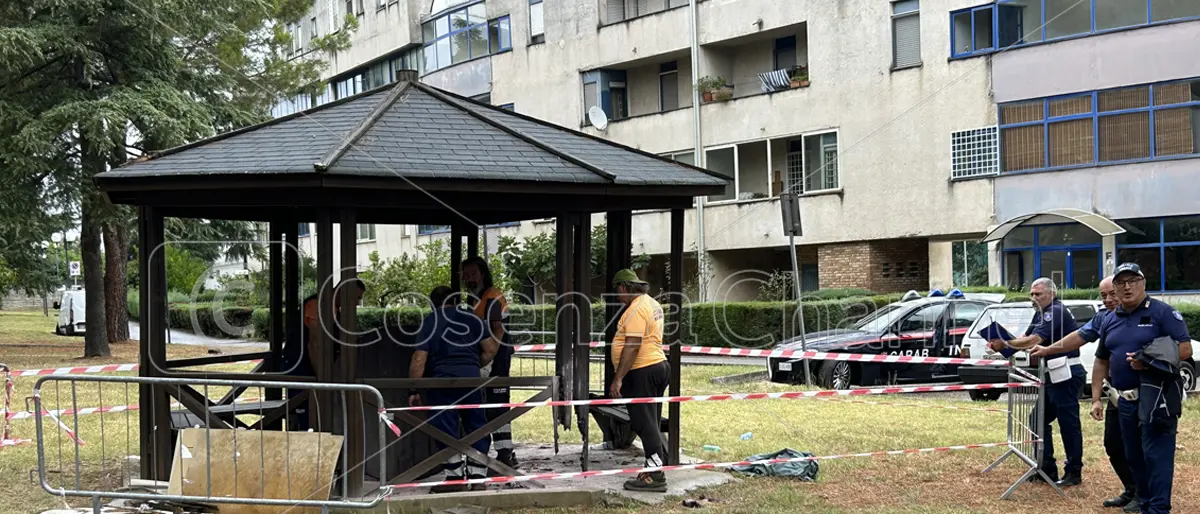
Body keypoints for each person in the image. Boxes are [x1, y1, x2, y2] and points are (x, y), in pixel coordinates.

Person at [1032, 263, 1192, 514]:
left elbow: (1185, 349)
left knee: (1156, 457)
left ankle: (1158, 509)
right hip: (1124, 401)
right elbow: (1100, 358)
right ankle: (1142, 500)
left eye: (1133, 281)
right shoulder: (1109, 319)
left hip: (1156, 398)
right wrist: (1050, 351)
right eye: (1121, 283)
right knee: (1132, 456)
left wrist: (1148, 361)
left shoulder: (1162, 313)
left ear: (1143, 283)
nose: (1126, 287)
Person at [1034, 276, 1138, 510]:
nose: (1109, 299)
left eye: (1113, 293)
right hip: (1117, 392)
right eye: (1103, 296)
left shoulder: (1149, 315)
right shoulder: (1104, 318)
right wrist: (1048, 349)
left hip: (1147, 392)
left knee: (1139, 445)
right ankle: (1132, 489)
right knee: (1113, 444)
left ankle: (1145, 495)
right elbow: (1080, 338)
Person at [988, 277, 1084, 487]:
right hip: (1052, 373)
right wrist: (1004, 344)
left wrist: (1005, 342)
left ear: (1052, 294)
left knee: (1068, 424)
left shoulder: (1054, 312)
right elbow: (1026, 337)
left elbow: (1034, 341)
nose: (1034, 297)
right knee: (1036, 420)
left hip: (1066, 373)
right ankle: (1045, 468)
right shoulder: (1041, 313)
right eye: (1031, 294)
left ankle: (1073, 472)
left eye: (1038, 294)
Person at [409, 286, 496, 493]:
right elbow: (491, 349)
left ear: (433, 303)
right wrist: (473, 365)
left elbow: (419, 358)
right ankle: (477, 476)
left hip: (441, 382)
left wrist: (413, 389)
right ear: (456, 301)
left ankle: (455, 477)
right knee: (476, 424)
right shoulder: (473, 319)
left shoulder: (430, 321)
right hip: (471, 381)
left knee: (445, 428)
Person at [609, 269, 669, 493]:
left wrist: (618, 379)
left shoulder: (635, 309)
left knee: (644, 422)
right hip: (657, 365)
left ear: (624, 287)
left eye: (617, 291)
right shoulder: (651, 303)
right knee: (650, 419)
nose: (617, 296)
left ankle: (655, 475)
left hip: (642, 369)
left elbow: (632, 345)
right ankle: (653, 467)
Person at [281, 278, 366, 430]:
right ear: (342, 291)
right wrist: (323, 375)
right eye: (356, 298)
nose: (358, 303)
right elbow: (315, 344)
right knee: (306, 412)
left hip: (312, 367)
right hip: (302, 366)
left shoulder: (334, 310)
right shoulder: (318, 305)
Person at [461, 256, 517, 469]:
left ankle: (505, 454)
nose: (469, 279)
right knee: (488, 405)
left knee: (498, 405)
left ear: (482, 273)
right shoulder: (474, 298)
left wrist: (487, 359)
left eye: (473, 274)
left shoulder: (492, 297)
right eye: (466, 275)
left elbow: (498, 329)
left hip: (497, 358)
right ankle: (498, 453)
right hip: (485, 356)